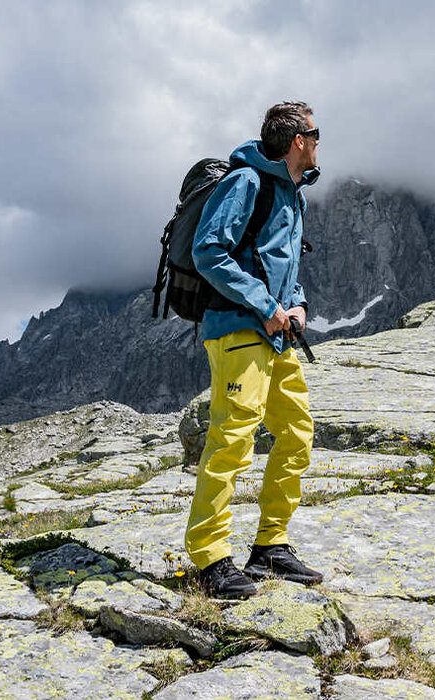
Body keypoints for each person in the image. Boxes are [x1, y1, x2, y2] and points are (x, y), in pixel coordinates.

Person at [184, 101, 323, 598]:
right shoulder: (247, 182)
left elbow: (283, 264)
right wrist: (266, 305)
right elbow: (208, 250)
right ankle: (209, 558)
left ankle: (270, 549)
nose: (318, 142)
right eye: (315, 133)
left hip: (278, 333)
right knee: (232, 438)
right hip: (239, 330)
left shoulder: (292, 195)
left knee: (296, 434)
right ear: (296, 141)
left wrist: (298, 303)